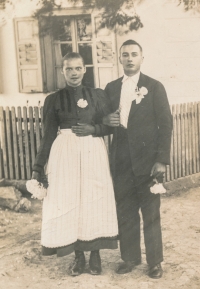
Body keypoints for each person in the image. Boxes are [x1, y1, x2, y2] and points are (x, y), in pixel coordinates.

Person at [31, 52, 118, 276]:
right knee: (70, 200)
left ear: (84, 69)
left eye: (78, 68)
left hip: (93, 150)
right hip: (65, 153)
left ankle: (95, 255)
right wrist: (37, 168)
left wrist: (94, 129)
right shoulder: (54, 99)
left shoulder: (97, 95)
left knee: (94, 199)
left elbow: (110, 125)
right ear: (63, 71)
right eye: (69, 69)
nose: (74, 73)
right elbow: (48, 135)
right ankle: (79, 257)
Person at [103, 39, 172, 278]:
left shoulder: (154, 87)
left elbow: (166, 124)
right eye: (125, 55)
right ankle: (130, 258)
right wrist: (105, 121)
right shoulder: (111, 88)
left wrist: (161, 159)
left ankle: (155, 262)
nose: (130, 59)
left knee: (150, 213)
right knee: (126, 211)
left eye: (134, 54)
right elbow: (104, 121)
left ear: (142, 58)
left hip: (147, 161)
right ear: (119, 59)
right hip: (121, 160)